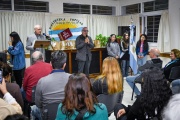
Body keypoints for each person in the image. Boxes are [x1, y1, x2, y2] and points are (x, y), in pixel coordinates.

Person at [35, 50, 70, 117]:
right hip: (68, 115)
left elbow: (38, 104)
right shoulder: (72, 79)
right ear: (65, 65)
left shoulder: (42, 81)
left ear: (50, 64)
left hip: (48, 116)